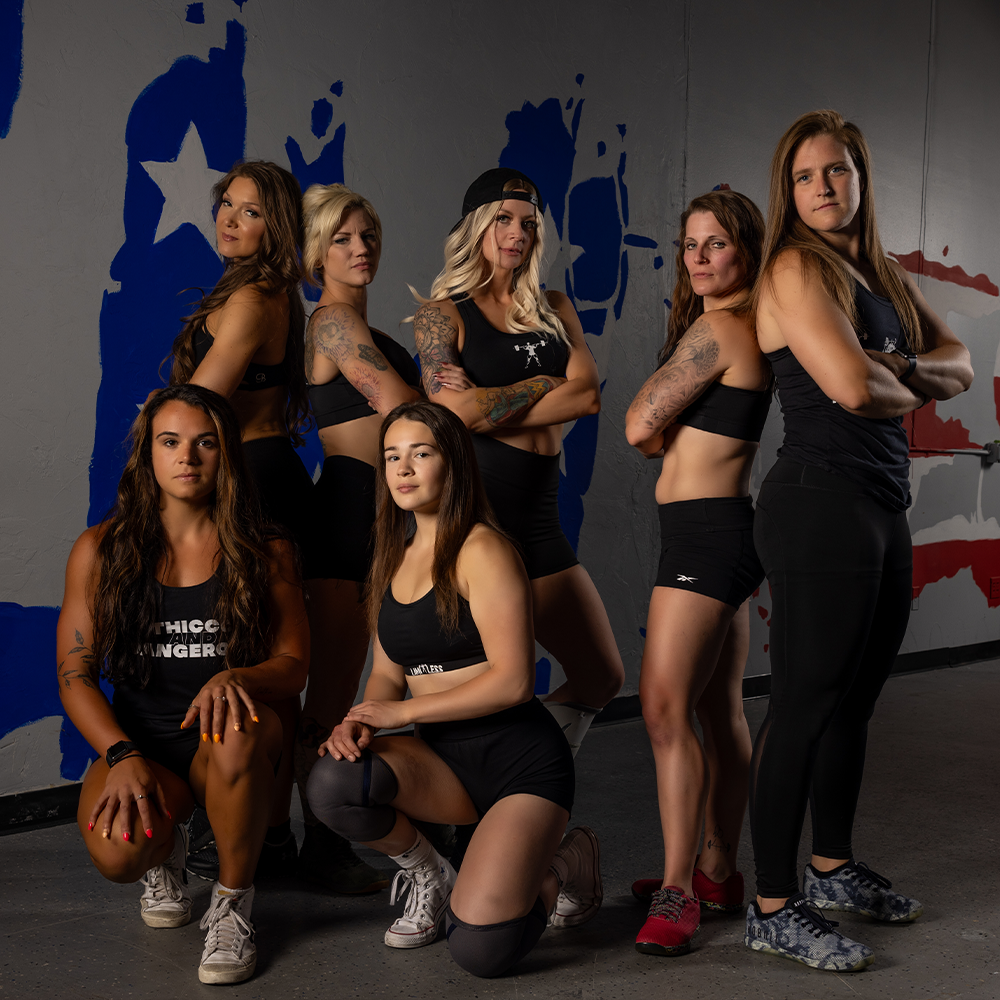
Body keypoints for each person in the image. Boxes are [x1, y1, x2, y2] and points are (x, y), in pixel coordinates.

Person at [744, 110, 973, 972]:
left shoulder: (874, 271)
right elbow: (846, 386)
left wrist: (901, 370)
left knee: (855, 703)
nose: (823, 188)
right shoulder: (797, 269)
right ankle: (773, 906)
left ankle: (832, 869)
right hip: (816, 504)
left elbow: (961, 362)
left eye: (836, 171)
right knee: (803, 704)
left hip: (881, 504)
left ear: (861, 177)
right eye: (805, 177)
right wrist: (904, 373)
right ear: (788, 190)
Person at [305, 400, 602, 978]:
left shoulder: (483, 549)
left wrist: (401, 712)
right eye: (392, 456)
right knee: (334, 781)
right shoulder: (391, 555)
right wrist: (361, 718)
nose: (403, 469)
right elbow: (388, 672)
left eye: (421, 453)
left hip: (520, 767)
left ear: (455, 464)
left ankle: (568, 861)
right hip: (443, 763)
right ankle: (432, 874)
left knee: (482, 951)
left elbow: (515, 682)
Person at [57, 384, 309, 985]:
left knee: (236, 731)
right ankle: (163, 854)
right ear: (148, 452)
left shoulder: (264, 549)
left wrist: (236, 676)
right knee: (119, 853)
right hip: (145, 744)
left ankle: (231, 903)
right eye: (170, 442)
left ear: (227, 455)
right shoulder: (101, 550)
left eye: (206, 443)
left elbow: (294, 665)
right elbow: (75, 674)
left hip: (231, 740)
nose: (187, 458)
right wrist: (120, 755)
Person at [412, 167, 624, 755]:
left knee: (602, 677)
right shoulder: (441, 314)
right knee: (490, 685)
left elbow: (587, 396)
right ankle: (472, 811)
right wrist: (542, 382)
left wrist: (487, 399)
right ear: (477, 226)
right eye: (502, 220)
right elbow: (453, 416)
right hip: (482, 514)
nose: (516, 233)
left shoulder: (553, 306)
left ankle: (530, 760)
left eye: (528, 223)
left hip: (540, 517)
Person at [624, 190, 769, 956]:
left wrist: (660, 426)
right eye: (690, 245)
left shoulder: (717, 328)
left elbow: (638, 427)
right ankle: (718, 870)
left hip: (704, 540)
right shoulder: (743, 327)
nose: (702, 257)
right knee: (720, 711)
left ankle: (679, 891)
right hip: (721, 529)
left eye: (717, 243)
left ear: (746, 249)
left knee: (662, 710)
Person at [167, 159, 311, 872]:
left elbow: (197, 411)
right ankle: (261, 827)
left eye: (250, 210)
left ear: (275, 225)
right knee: (252, 662)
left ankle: (263, 831)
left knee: (257, 665)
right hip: (261, 474)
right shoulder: (260, 291)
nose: (230, 217)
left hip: (253, 484)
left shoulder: (255, 298)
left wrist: (153, 442)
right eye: (226, 203)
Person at [296, 183, 422, 892]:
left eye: (367, 234)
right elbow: (405, 406)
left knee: (405, 675)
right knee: (336, 692)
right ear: (317, 253)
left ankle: (416, 816)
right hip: (346, 519)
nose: (359, 247)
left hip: (394, 521)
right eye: (341, 238)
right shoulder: (331, 326)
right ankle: (319, 839)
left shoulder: (376, 334)